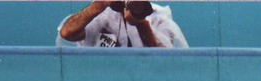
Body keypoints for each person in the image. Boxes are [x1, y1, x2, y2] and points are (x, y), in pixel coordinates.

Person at [57, 1, 188, 48]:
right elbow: (67, 33)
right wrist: (98, 5)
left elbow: (172, 63)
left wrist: (141, 25)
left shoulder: (159, 18)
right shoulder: (100, 16)